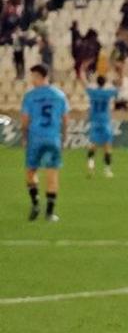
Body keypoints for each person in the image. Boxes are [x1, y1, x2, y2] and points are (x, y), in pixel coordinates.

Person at [20, 65, 69, 222]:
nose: (32, 80)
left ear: (40, 77)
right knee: (52, 175)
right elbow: (65, 119)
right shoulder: (59, 95)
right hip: (52, 138)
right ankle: (49, 213)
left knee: (30, 172)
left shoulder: (29, 96)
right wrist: (64, 137)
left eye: (33, 76)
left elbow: (25, 121)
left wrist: (24, 137)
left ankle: (35, 203)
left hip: (35, 138)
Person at [86, 76, 119, 178]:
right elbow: (117, 88)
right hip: (105, 122)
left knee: (92, 147)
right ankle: (107, 170)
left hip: (94, 122)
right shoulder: (107, 93)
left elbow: (84, 83)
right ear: (104, 83)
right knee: (107, 147)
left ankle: (90, 168)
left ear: (97, 82)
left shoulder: (92, 92)